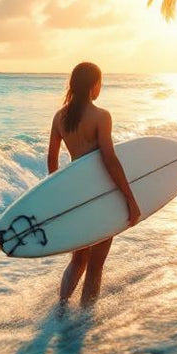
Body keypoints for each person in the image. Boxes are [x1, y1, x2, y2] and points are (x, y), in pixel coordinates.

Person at [47, 62, 141, 305]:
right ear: (93, 85)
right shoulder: (101, 116)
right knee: (96, 264)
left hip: (76, 193)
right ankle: (85, 319)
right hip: (101, 193)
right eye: (101, 82)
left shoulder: (60, 117)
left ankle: (61, 309)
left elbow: (51, 160)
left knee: (78, 259)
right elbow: (110, 160)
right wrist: (130, 199)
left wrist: (58, 195)